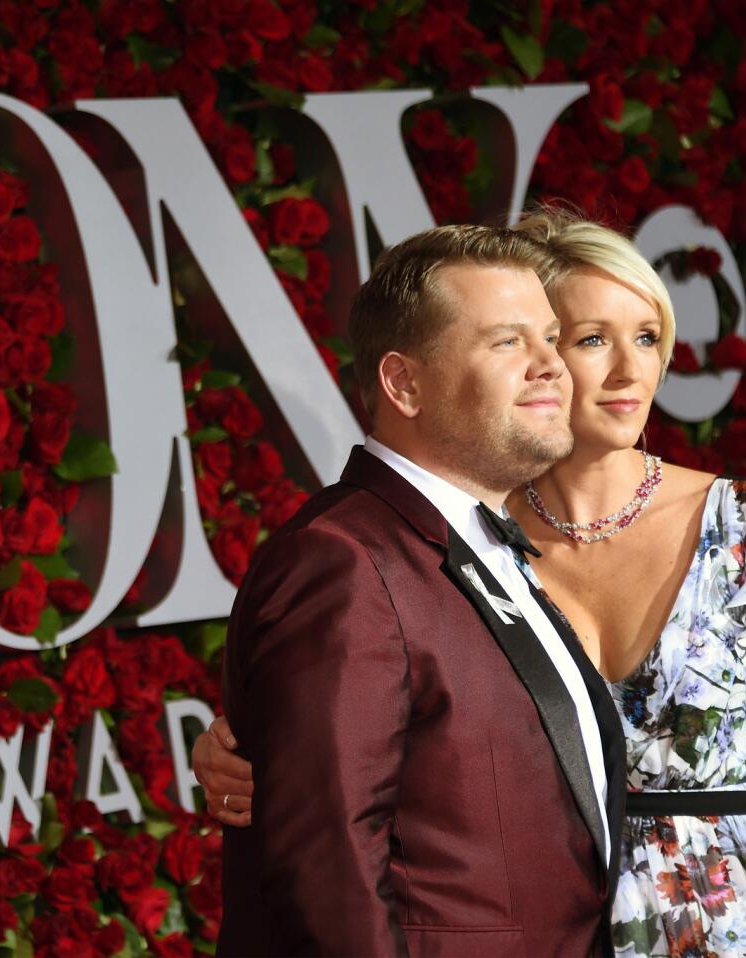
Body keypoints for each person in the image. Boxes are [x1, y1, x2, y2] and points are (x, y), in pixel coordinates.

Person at [196, 210, 746, 957]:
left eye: (646, 338)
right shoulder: (454, 538)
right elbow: (357, 779)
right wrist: (252, 748)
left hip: (725, 921)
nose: (624, 369)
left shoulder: (737, 523)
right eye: (584, 339)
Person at [216, 223, 627, 957]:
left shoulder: (481, 541)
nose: (552, 366)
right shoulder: (341, 563)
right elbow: (326, 871)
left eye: (551, 337)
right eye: (507, 343)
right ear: (404, 383)